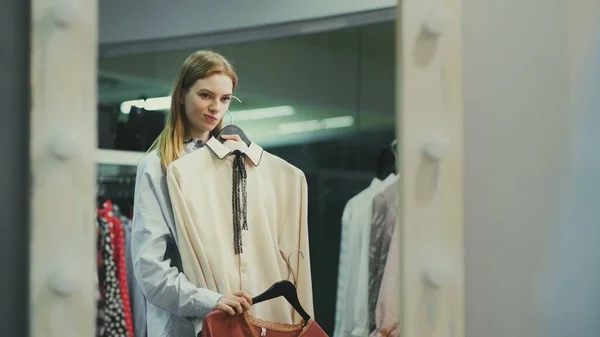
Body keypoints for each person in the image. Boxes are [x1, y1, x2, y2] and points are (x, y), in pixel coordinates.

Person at [131, 50, 254, 337]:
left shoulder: (235, 162)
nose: (216, 108)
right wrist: (211, 301)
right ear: (182, 95)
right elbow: (150, 269)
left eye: (225, 99)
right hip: (182, 327)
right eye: (206, 95)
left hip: (239, 321)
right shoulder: (156, 166)